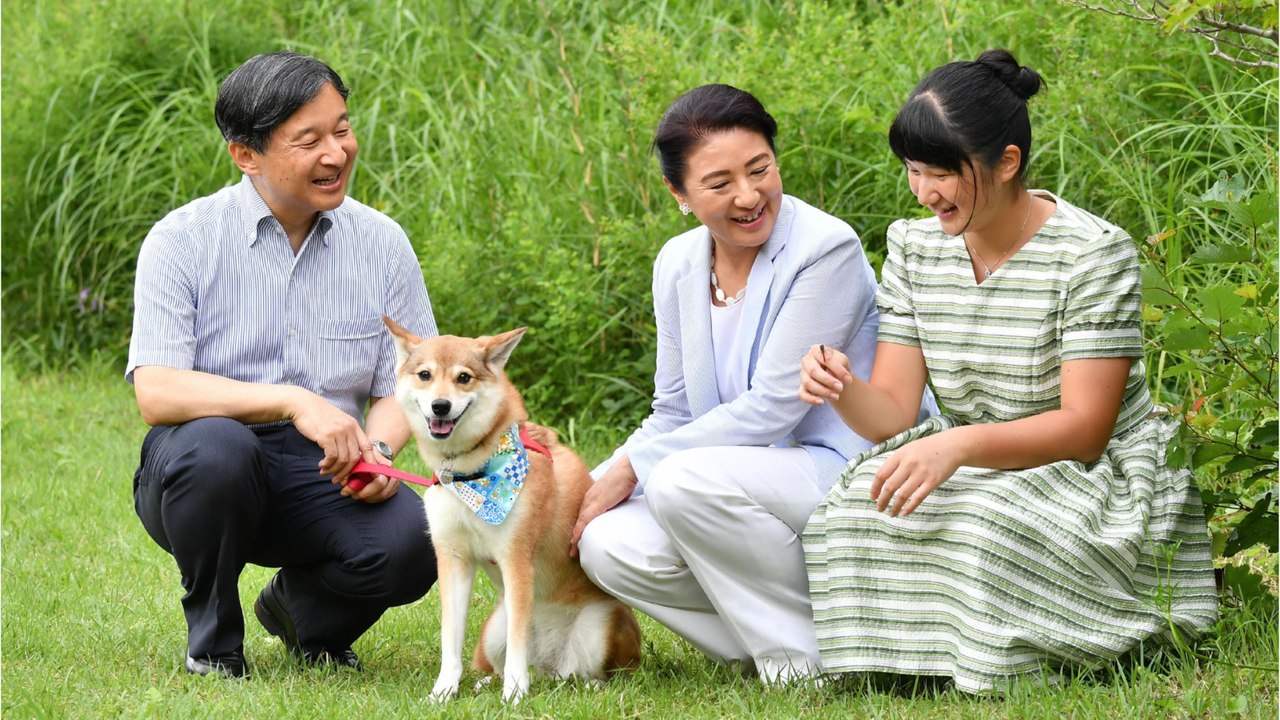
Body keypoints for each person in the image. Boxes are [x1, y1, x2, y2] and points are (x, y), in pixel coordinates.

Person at [798, 49, 1218, 692]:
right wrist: (842, 387)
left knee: (985, 527)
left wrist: (958, 446)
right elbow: (892, 416)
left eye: (942, 173)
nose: (923, 192)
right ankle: (915, 662)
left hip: (1093, 472)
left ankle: (1023, 653)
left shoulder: (1092, 253)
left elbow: (1085, 431)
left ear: (1008, 162)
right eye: (913, 171)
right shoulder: (914, 247)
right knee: (854, 511)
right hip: (976, 460)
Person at [570, 84, 935, 684]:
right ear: (679, 194)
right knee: (606, 544)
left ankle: (801, 665)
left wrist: (633, 466)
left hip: (844, 467)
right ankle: (800, 647)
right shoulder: (677, 264)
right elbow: (673, 410)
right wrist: (586, 489)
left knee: (679, 481)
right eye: (720, 183)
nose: (748, 196)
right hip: (739, 482)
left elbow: (773, 408)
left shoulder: (826, 248)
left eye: (760, 169)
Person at [127, 50, 438, 679]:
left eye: (342, 130)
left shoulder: (381, 243)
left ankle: (302, 618)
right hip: (203, 466)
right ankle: (214, 646)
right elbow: (157, 392)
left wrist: (378, 451)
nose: (336, 153)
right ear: (246, 154)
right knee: (218, 450)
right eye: (309, 140)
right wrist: (293, 401)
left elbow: (409, 379)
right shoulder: (181, 240)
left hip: (325, 467)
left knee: (418, 541)